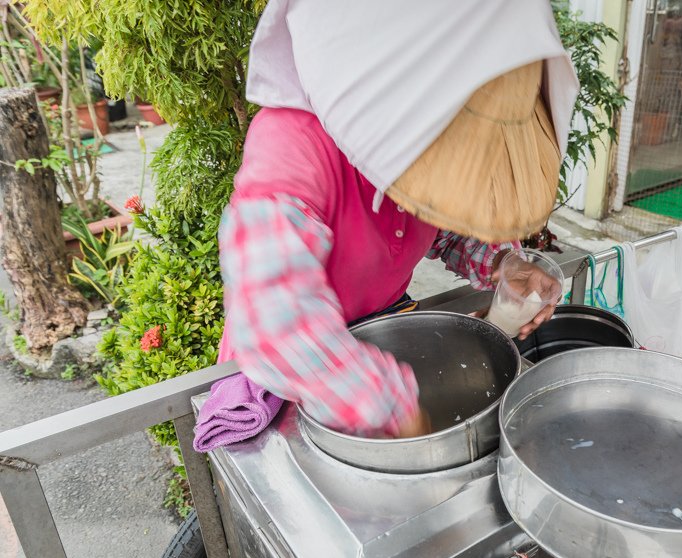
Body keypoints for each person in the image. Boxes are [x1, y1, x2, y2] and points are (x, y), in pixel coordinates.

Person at [215, 0, 579, 441]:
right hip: (290, 374)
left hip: (379, 336)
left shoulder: (421, 147)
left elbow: (442, 232)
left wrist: (506, 265)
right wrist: (390, 404)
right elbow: (276, 318)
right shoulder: (290, 142)